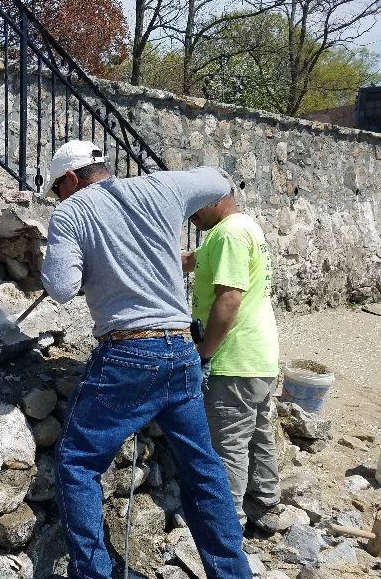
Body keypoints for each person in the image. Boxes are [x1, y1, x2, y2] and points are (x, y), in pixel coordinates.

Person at [42, 140, 251, 579]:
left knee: (78, 461)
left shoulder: (71, 211)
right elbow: (219, 179)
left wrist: (81, 256)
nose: (59, 199)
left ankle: (95, 574)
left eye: (58, 190)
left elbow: (61, 287)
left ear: (72, 179)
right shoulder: (161, 187)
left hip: (129, 353)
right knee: (202, 467)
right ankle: (232, 573)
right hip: (181, 350)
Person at [184, 182, 283, 532]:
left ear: (217, 199)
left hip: (233, 359)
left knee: (228, 446)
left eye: (195, 204)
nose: (189, 213)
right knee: (258, 434)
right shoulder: (240, 228)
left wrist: (204, 353)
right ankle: (266, 506)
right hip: (259, 358)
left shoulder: (229, 236)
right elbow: (195, 261)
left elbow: (229, 300)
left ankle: (227, 528)